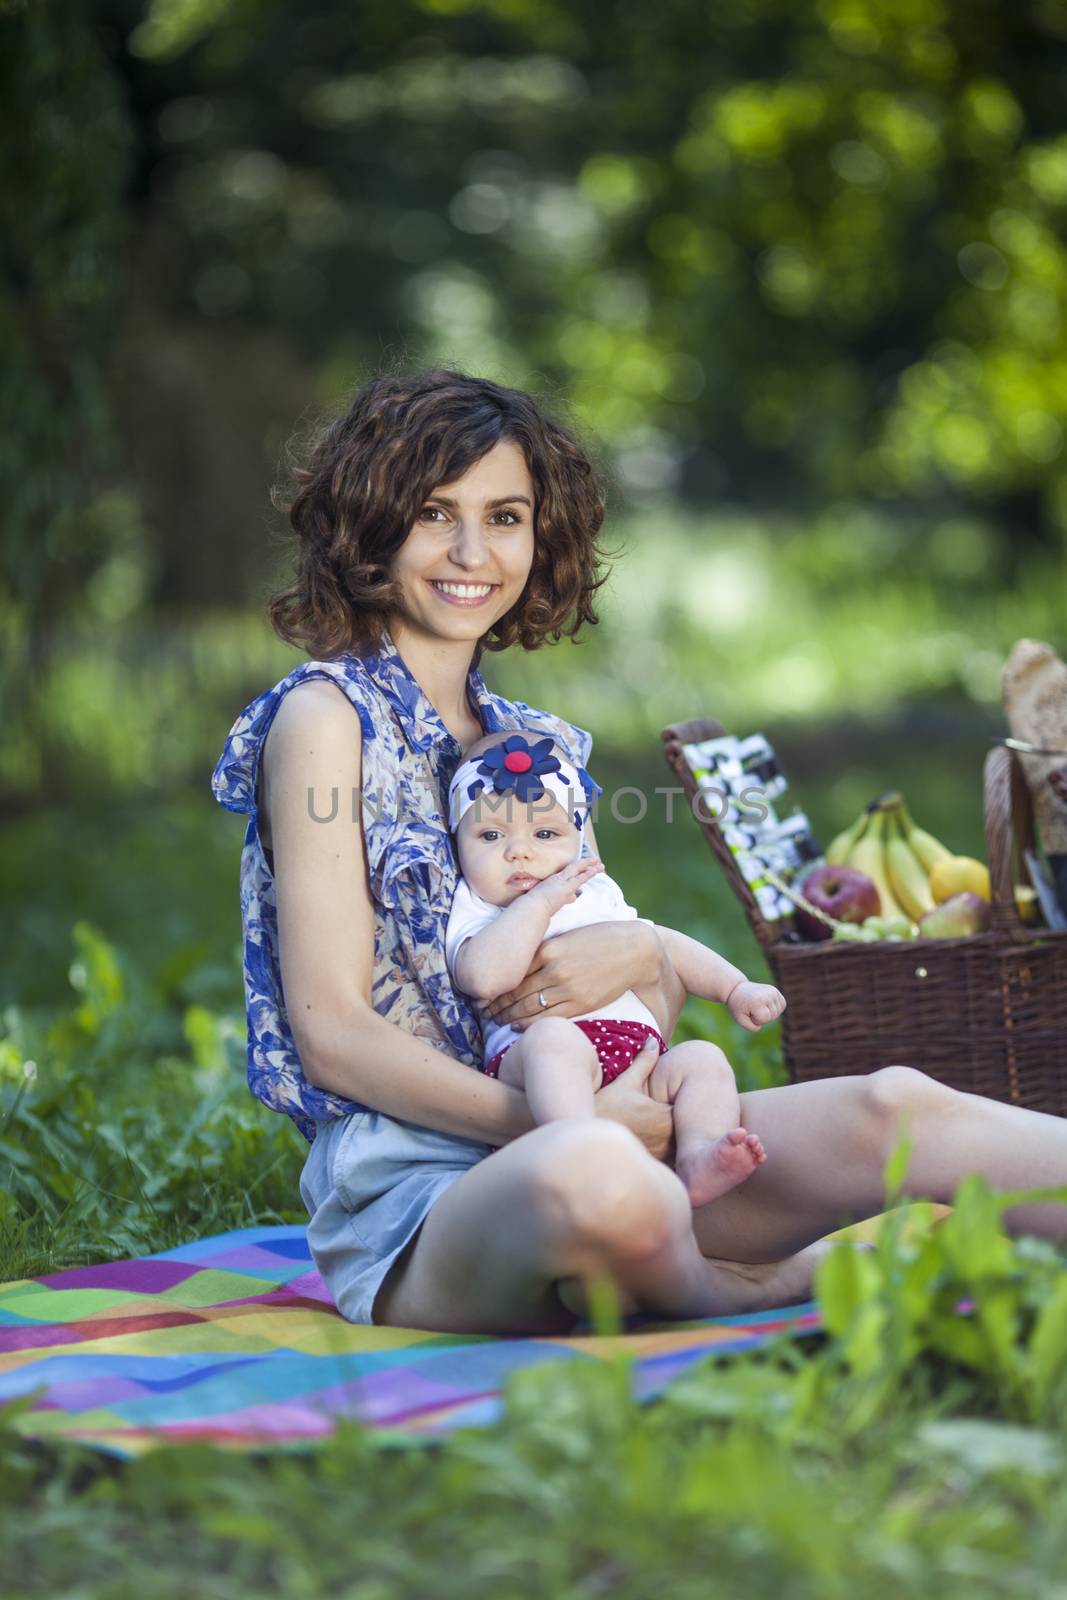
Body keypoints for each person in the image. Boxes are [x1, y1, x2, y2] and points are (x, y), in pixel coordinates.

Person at [212, 367, 1067, 1336]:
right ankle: (742, 1277)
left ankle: (659, 1259)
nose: (469, 551)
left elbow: (632, 1013)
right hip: (432, 1196)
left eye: (503, 517)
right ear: (368, 524)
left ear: (541, 536)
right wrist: (565, 1121)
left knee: (893, 1104)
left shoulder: (534, 746)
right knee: (596, 1175)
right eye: (431, 513)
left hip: (626, 1134)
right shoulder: (325, 718)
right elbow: (333, 1035)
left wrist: (644, 961)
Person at [444, 727, 777, 1208]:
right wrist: (538, 904)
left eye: (545, 834)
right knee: (554, 1042)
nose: (520, 851)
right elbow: (482, 977)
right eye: (491, 835)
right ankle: (576, 1148)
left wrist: (736, 988)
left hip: (639, 1059)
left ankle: (700, 1158)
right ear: (460, 842)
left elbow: (662, 943)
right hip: (537, 1064)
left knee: (702, 1059)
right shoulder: (477, 907)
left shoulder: (597, 895)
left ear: (578, 841)